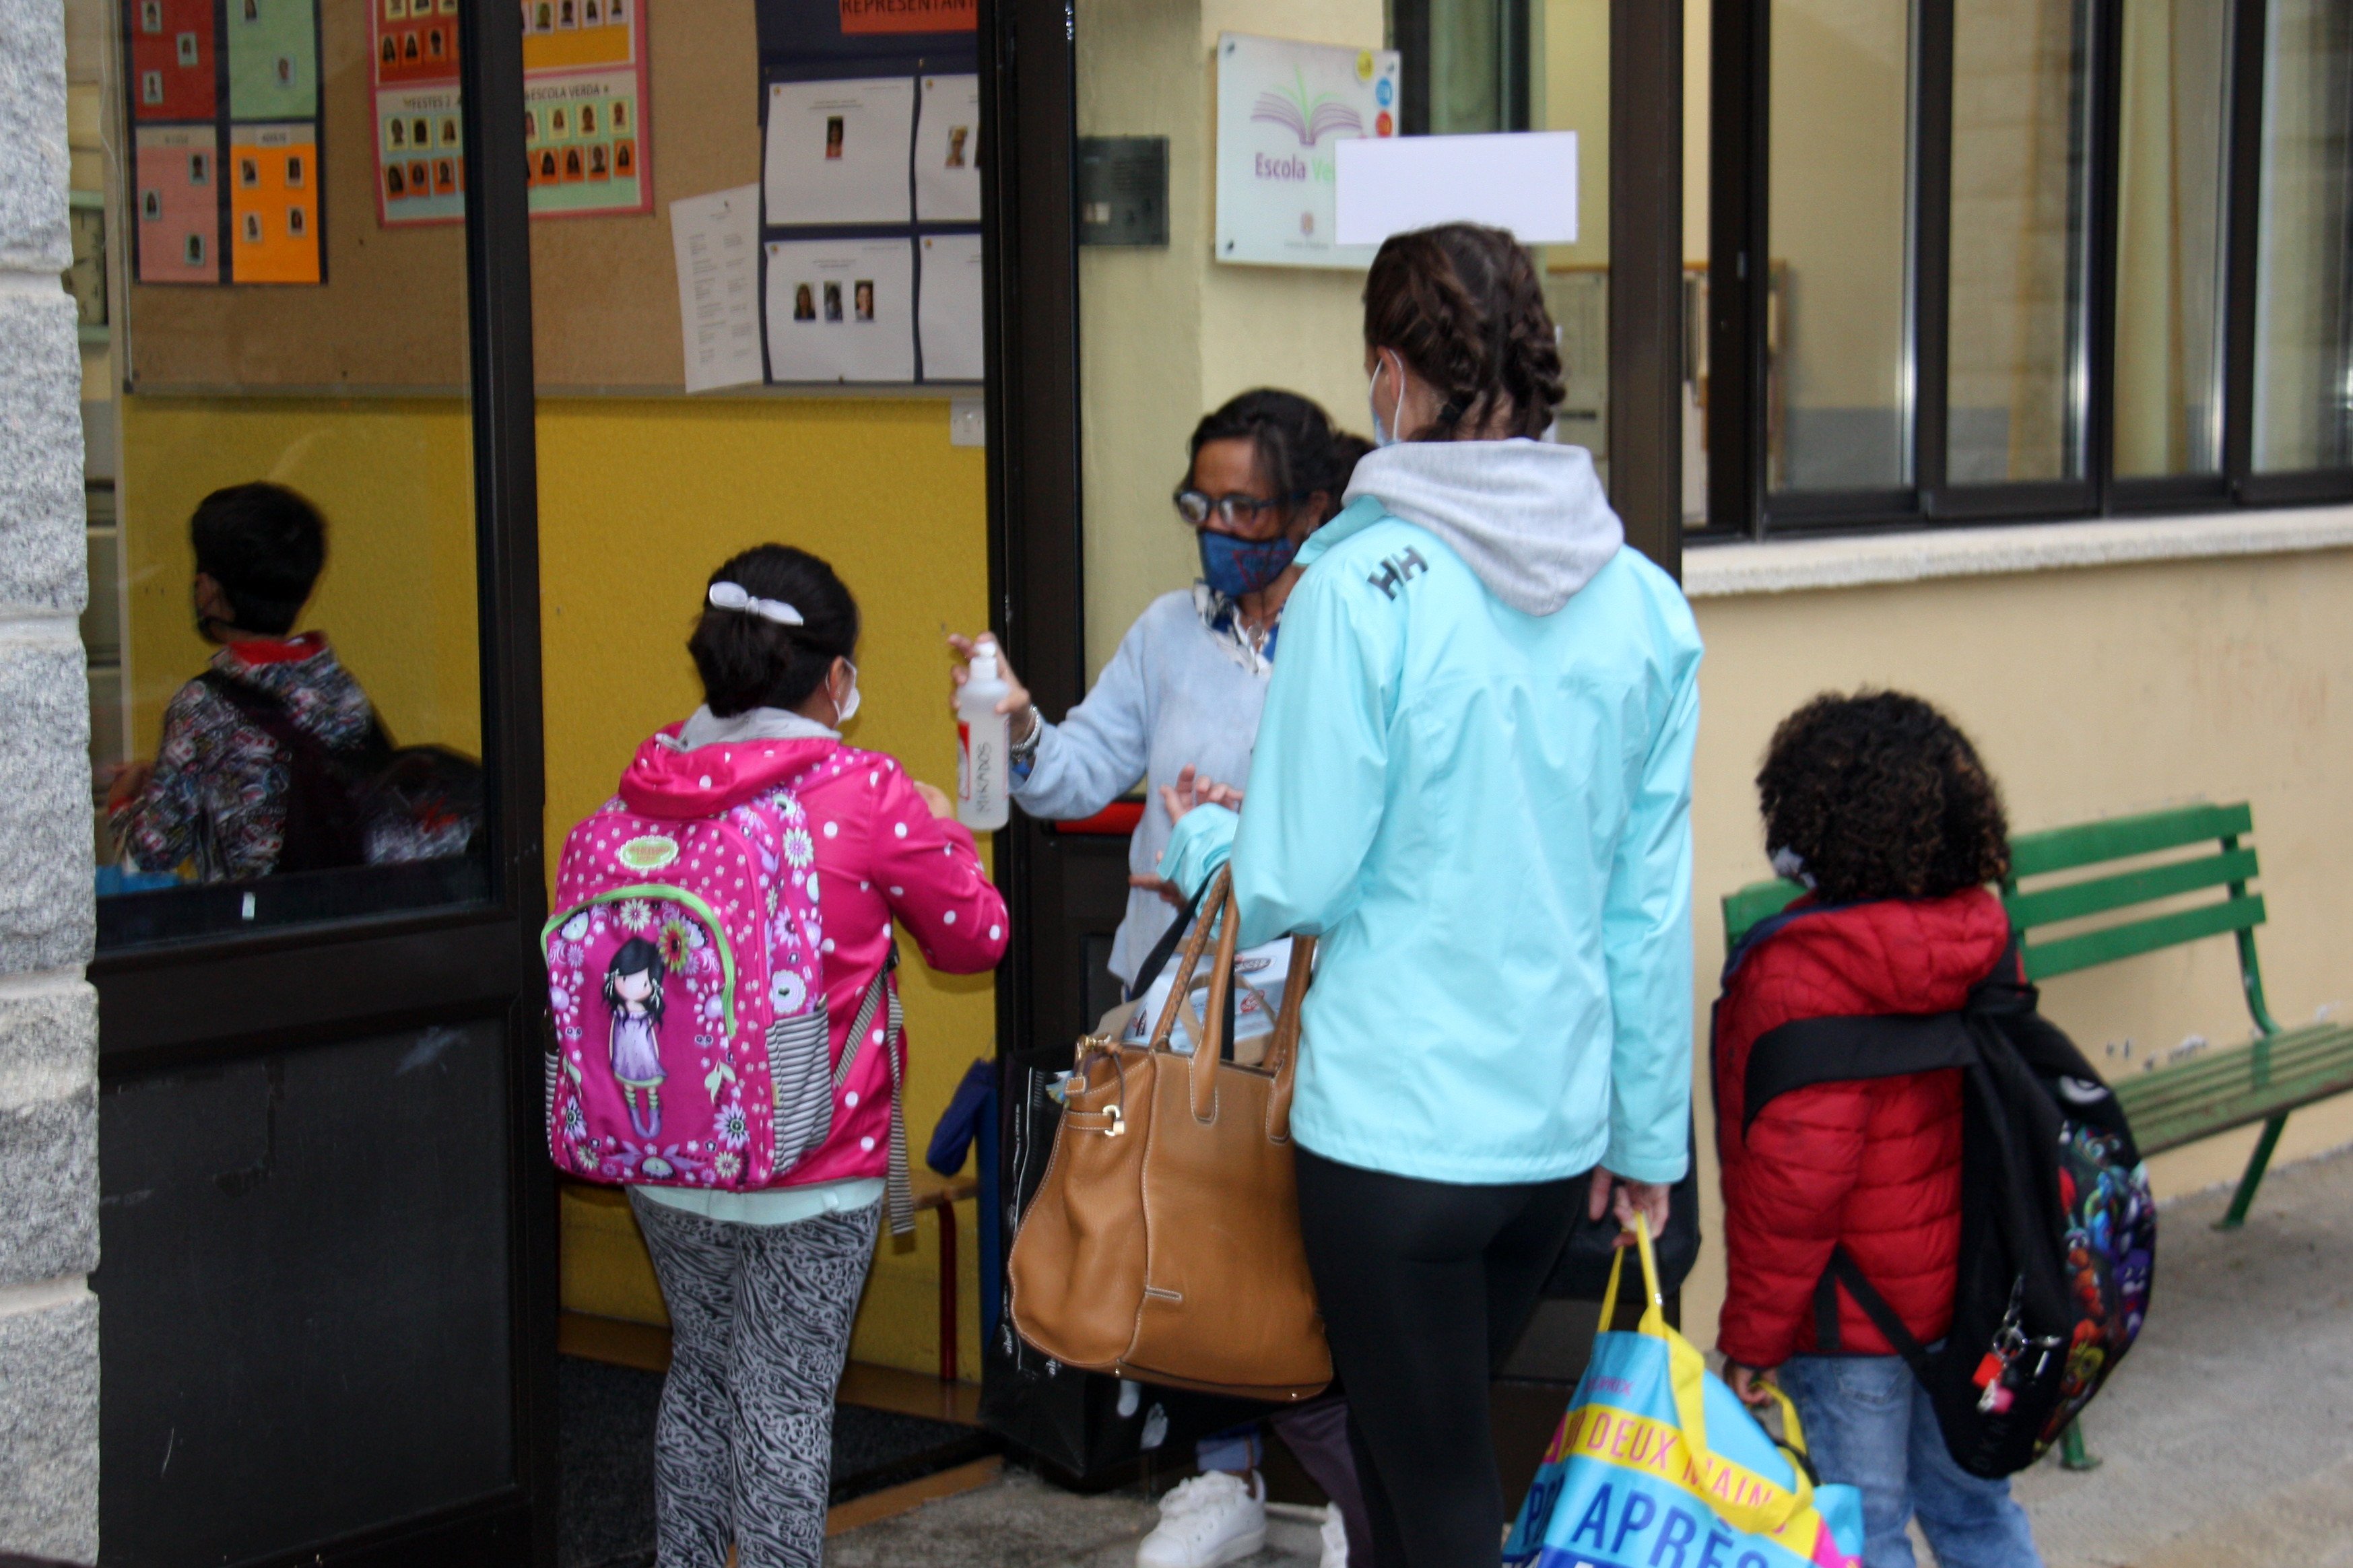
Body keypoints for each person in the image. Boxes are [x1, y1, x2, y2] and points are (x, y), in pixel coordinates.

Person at [1154, 222, 1704, 1568]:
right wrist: (1647, 1139)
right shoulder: (1641, 604)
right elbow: (1647, 904)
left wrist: (1198, 850)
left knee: (1434, 1497)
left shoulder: (1361, 590)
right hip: (1550, 1138)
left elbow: (1289, 876)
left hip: (1392, 1136)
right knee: (1410, 1499)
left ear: (1390, 375)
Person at [949, 393, 1371, 1568]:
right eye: (1201, 503)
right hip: (1172, 993)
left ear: (1309, 509)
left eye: (1245, 505)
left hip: (1317, 1004)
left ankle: (1355, 1490)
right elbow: (1073, 776)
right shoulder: (1168, 631)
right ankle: (1219, 1473)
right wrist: (1023, 728)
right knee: (1186, 1233)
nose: (1218, 527)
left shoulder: (1356, 632)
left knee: (1315, 1247)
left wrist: (1250, 832)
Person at [626, 545, 1009, 1568]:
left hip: (669, 1144)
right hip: (814, 1158)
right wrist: (944, 829)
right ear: (834, 676)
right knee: (785, 1404)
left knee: (700, 1376)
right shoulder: (866, 792)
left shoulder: (653, 776)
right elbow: (976, 941)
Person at [1714, 691, 2042, 1568]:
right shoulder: (1984, 934)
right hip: (1971, 1301)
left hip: (1850, 1326)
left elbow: (1794, 1193)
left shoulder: (1797, 972)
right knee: (1976, 1513)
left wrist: (1750, 1340)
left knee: (1864, 1537)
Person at [106, 482, 391, 882]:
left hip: (260, 935)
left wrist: (122, 803)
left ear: (209, 591)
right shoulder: (341, 690)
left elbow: (154, 852)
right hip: (345, 925)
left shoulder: (202, 705)